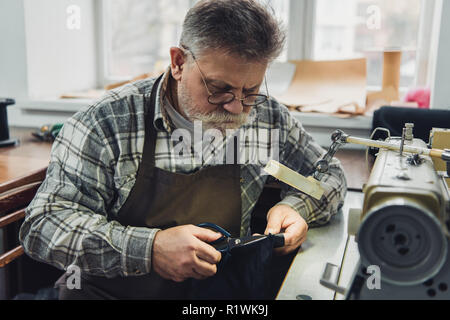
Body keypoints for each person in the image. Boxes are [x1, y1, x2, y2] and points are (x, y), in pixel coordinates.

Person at [19, 0, 347, 299]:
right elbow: (45, 224)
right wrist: (149, 249)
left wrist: (297, 206)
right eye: (219, 89)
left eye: (251, 89)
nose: (236, 108)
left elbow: (327, 175)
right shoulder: (107, 123)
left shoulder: (267, 118)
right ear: (178, 62)